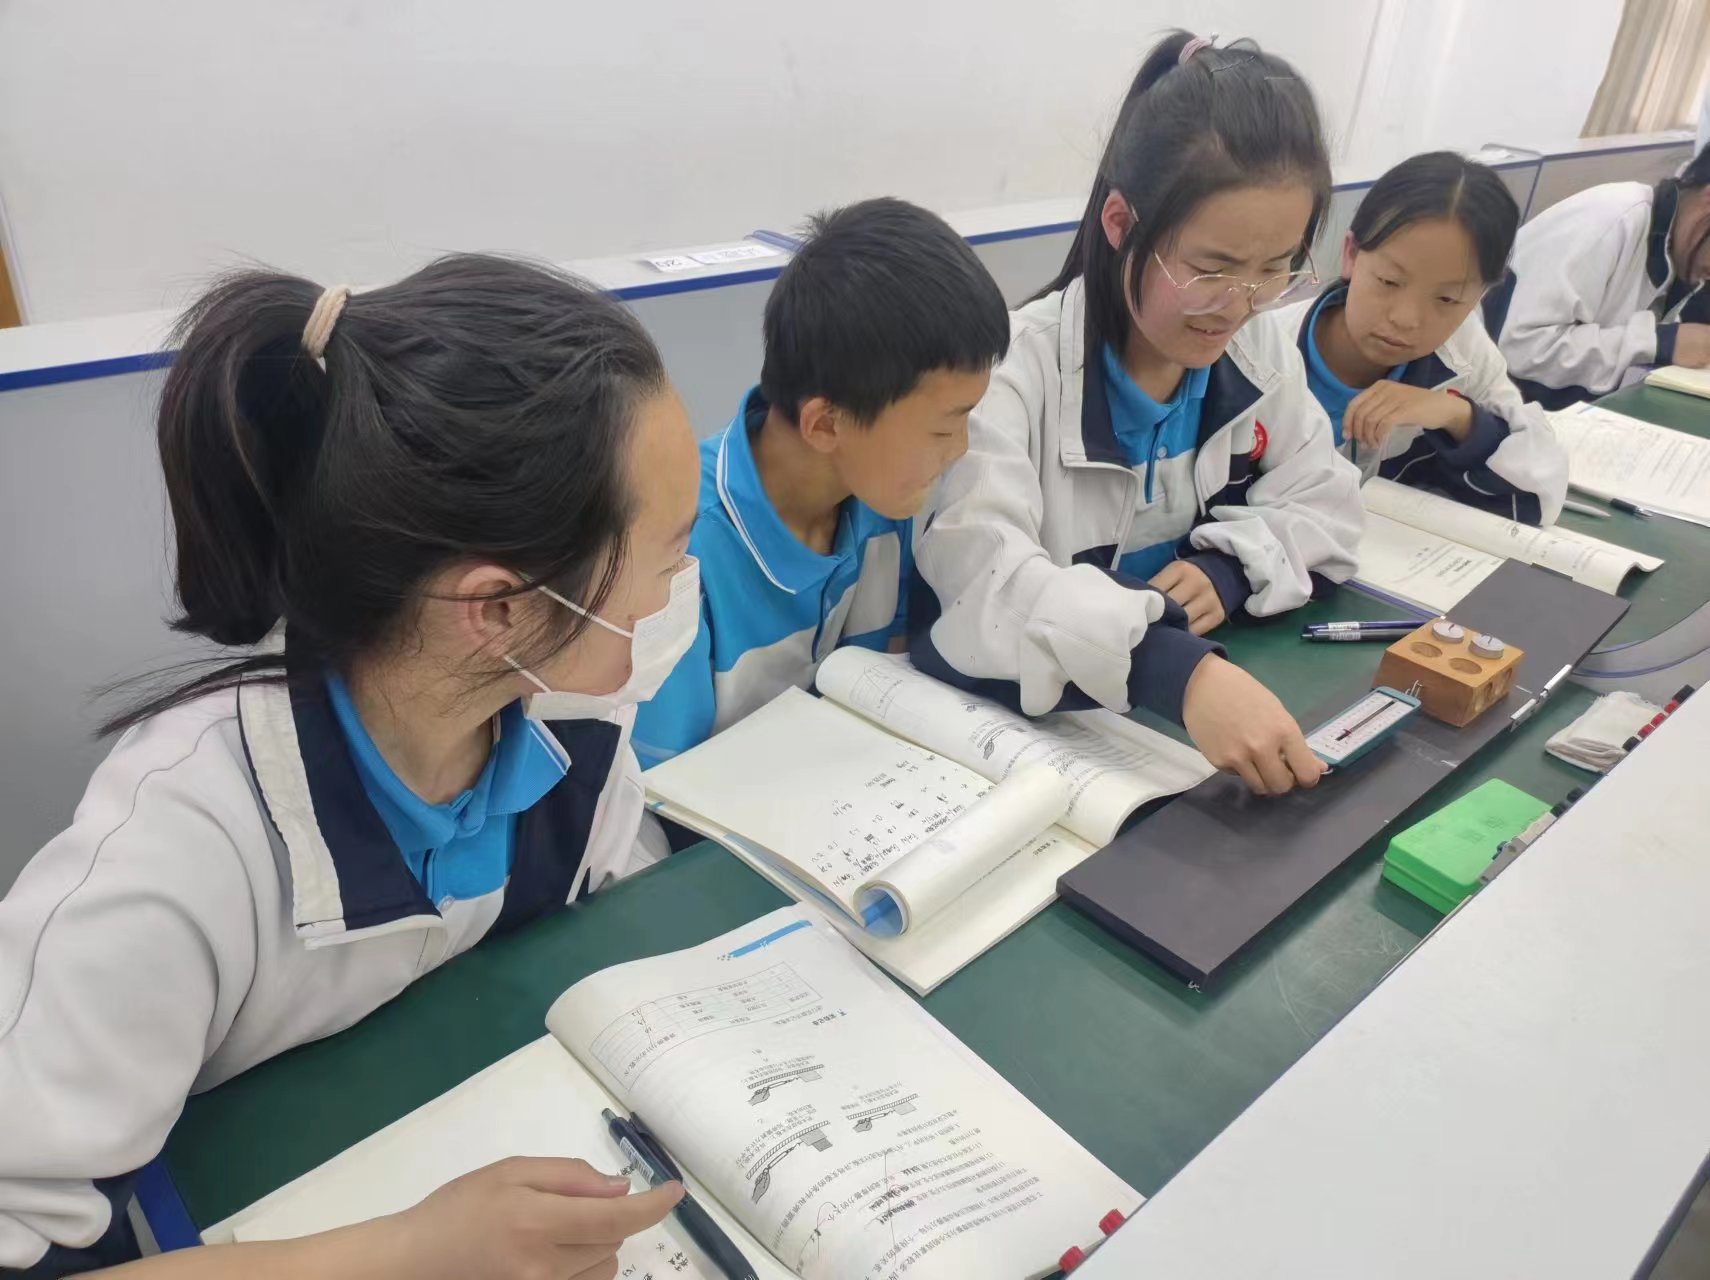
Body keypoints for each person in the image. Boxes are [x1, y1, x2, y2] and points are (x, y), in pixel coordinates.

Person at [0, 256, 698, 1277]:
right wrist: (412, 1251)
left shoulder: (576, 734)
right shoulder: (175, 856)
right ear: (499, 608)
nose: (679, 587)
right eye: (668, 555)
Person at [913, 31, 1363, 797]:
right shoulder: (1011, 376)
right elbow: (985, 583)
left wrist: (1230, 568)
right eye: (1211, 268)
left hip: (1142, 737)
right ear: (1120, 224)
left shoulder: (1256, 352)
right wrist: (1173, 670)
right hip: (1012, 748)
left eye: (1275, 268)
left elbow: (1326, 502)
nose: (1240, 304)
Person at [631, 197, 1008, 767]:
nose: (959, 450)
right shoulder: (680, 558)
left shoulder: (881, 501)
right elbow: (657, 794)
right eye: (942, 429)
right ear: (827, 424)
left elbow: (886, 688)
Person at [1279, 151, 1568, 525]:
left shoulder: (1463, 353)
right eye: (1389, 281)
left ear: (1479, 297)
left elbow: (1542, 482)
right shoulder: (1265, 350)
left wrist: (1455, 414)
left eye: (1447, 299)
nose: (1406, 319)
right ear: (1351, 254)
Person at [1501, 145, 1710, 406]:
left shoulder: (1682, 255)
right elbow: (1522, 348)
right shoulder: (1611, 216)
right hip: (1501, 407)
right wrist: (1659, 343)